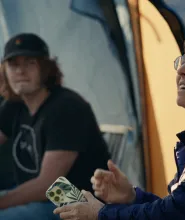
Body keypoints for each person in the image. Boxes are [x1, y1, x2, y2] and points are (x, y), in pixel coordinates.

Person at [54, 27, 185, 219]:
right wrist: (131, 197)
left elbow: (175, 214)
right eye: (182, 62)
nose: (181, 70)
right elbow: (177, 208)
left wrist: (100, 214)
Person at [0, 33, 110, 220]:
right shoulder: (16, 105)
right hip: (39, 196)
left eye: (30, 63)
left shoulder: (66, 107)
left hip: (76, 200)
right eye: (13, 64)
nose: (20, 71)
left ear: (46, 68)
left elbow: (48, 185)